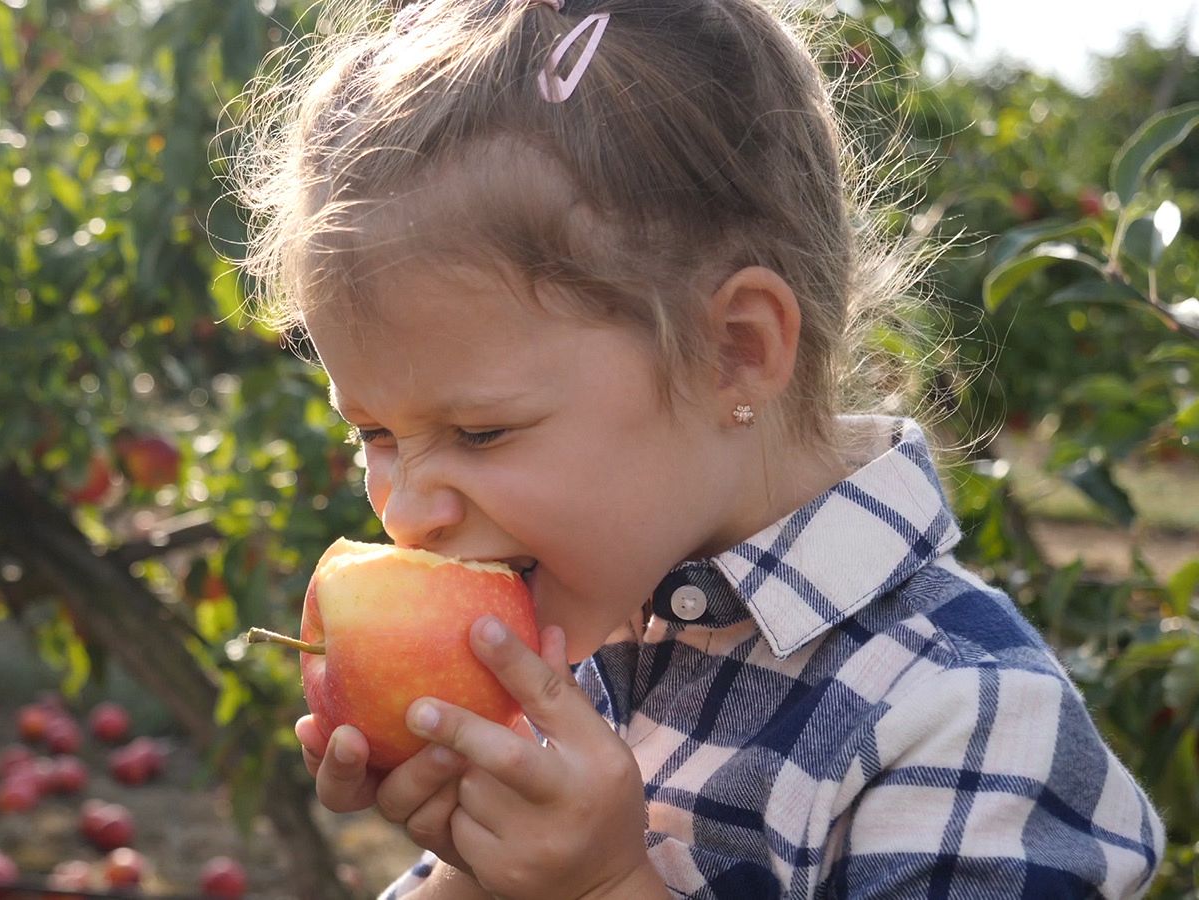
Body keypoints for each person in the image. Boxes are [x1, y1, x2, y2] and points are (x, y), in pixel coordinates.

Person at [223, 0, 1167, 895]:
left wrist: (600, 887)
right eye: (373, 434)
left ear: (735, 352)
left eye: (478, 431)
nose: (403, 507)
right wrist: (473, 867)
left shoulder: (963, 721)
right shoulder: (583, 637)